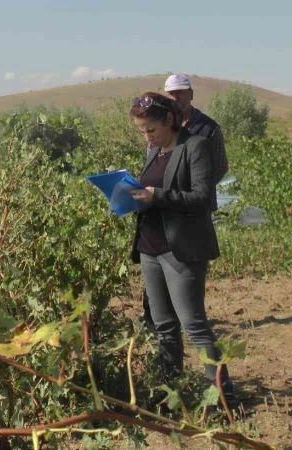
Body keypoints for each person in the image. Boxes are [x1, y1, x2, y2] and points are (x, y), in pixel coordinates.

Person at [128, 92, 237, 408]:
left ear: (169, 120)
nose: (147, 136)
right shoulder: (155, 151)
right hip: (150, 248)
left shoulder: (196, 146)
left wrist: (156, 196)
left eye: (151, 129)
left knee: (194, 324)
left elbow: (202, 198)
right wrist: (129, 197)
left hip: (181, 251)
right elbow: (150, 193)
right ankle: (170, 394)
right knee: (164, 327)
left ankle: (224, 400)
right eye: (142, 131)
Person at [140, 74, 229, 327]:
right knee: (157, 278)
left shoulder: (207, 128)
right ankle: (157, 321)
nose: (176, 98)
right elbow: (152, 164)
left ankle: (187, 317)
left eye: (181, 93)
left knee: (188, 272)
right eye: (171, 94)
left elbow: (220, 166)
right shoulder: (158, 127)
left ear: (191, 94)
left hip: (191, 212)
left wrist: (190, 189)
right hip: (159, 215)